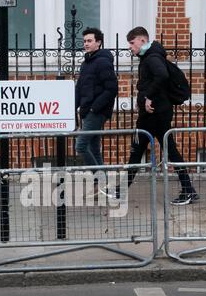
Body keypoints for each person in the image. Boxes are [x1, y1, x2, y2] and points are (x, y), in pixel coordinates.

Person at [121, 26, 198, 205]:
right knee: (155, 150)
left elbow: (161, 75)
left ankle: (121, 190)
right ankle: (188, 190)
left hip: (154, 115)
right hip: (156, 113)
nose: (130, 47)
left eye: (132, 43)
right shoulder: (150, 56)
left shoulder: (152, 57)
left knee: (141, 150)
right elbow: (155, 80)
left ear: (142, 40)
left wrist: (147, 96)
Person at [75, 27, 118, 194]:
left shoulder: (103, 62)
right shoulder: (86, 63)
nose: (86, 44)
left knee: (81, 145)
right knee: (93, 148)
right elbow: (79, 88)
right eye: (85, 41)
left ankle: (101, 180)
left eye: (89, 41)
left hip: (96, 111)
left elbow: (111, 88)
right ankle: (103, 184)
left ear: (98, 42)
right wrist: (75, 107)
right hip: (86, 110)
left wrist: (95, 107)